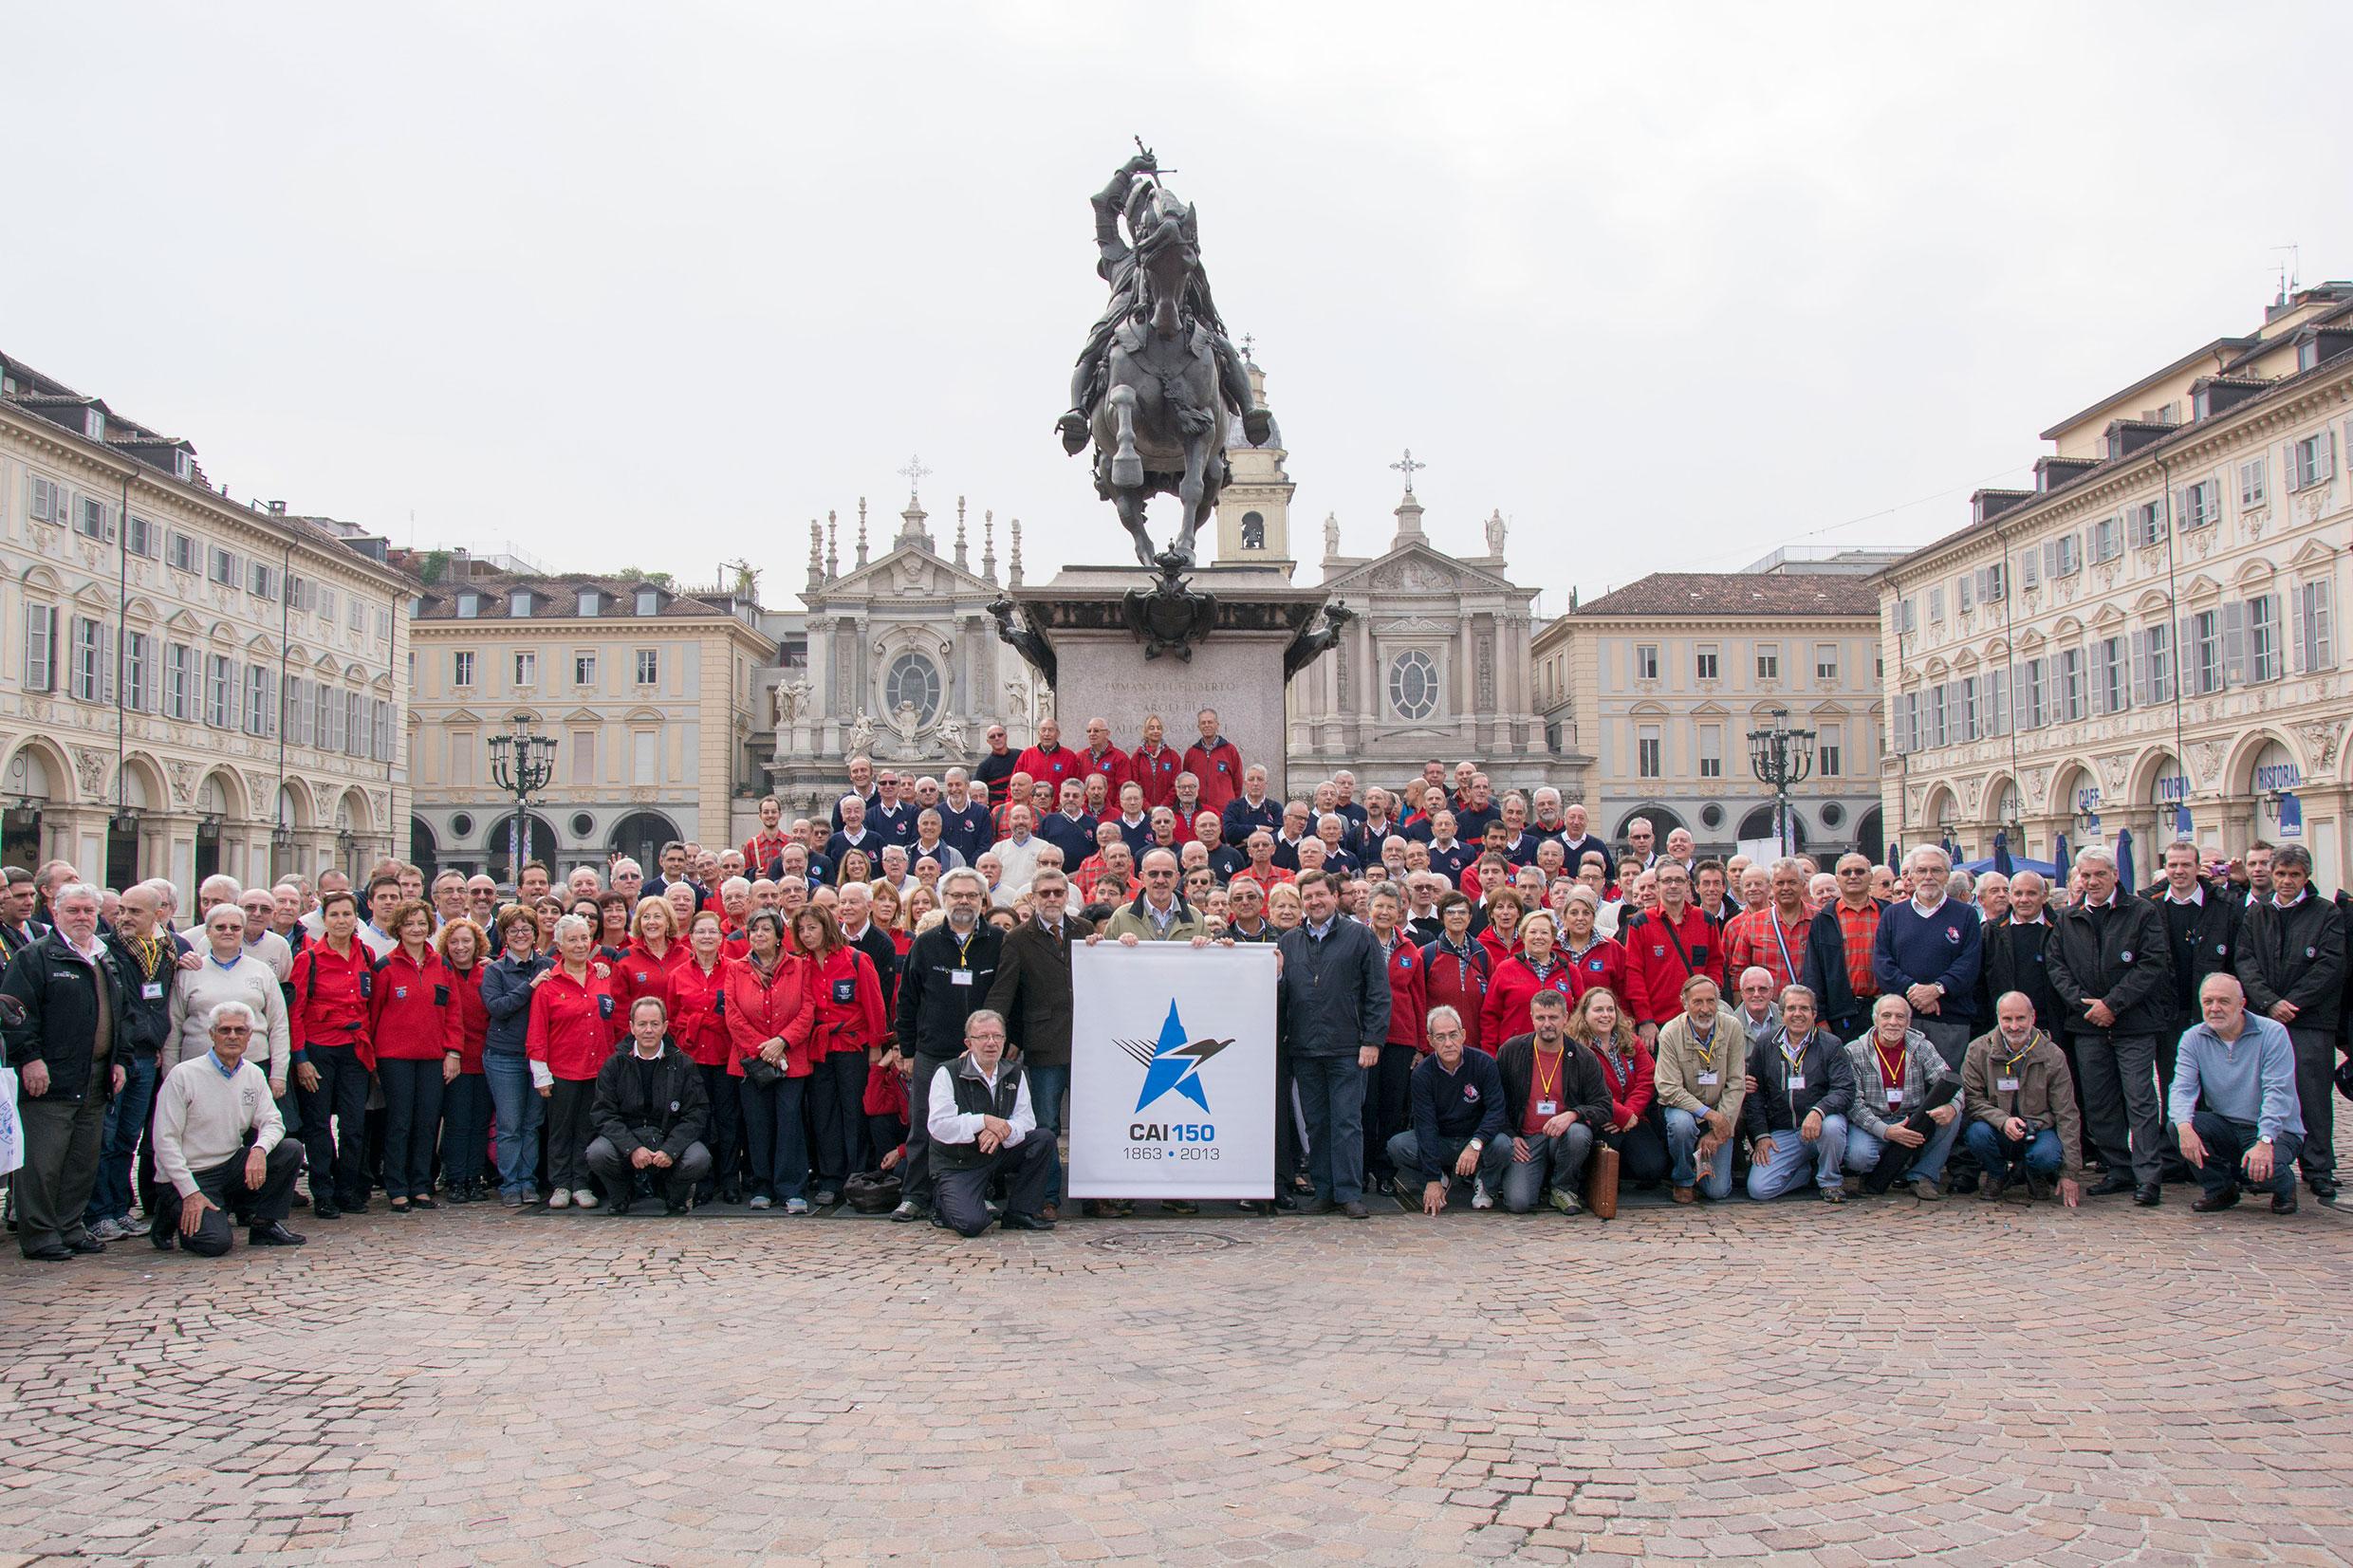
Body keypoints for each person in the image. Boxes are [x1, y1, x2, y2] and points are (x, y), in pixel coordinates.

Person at [3, 882, 134, 1260]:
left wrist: (120, 1059)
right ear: (56, 912)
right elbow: (15, 1013)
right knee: (44, 1163)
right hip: (50, 1077)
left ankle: (70, 1226)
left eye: (88, 911)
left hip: (96, 1076)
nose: (82, 918)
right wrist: (29, 1058)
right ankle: (41, 1234)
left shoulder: (104, 956)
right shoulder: (35, 957)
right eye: (73, 911)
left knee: (82, 1160)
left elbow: (123, 1014)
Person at [2046, 845, 2172, 1208]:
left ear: (2115, 875)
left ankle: (2148, 1175)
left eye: (2099, 874)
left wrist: (2112, 1004)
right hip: (2087, 1025)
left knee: (2140, 1100)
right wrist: (2085, 1005)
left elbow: (2152, 964)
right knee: (2100, 1103)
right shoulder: (2068, 918)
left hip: (2134, 1022)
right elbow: (2057, 968)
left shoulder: (2142, 912)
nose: (2092, 881)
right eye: (2085, 876)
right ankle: (2119, 1167)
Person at [147, 1001, 306, 1255]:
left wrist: (259, 1150)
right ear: (211, 1034)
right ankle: (170, 1212)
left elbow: (273, 1122)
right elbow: (164, 1141)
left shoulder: (253, 1074)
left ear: (249, 1036)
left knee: (290, 1149)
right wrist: (189, 1193)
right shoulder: (184, 1075)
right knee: (214, 1244)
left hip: (229, 1166)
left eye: (240, 1031)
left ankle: (264, 1224)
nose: (232, 1036)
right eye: (225, 1030)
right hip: (190, 1174)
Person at [2232, 842, 2342, 1202]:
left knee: (2312, 1095)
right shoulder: (2256, 913)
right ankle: (2268, 1164)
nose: (2286, 881)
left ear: (2306, 877)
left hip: (2310, 1020)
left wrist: (2293, 1002)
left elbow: (2330, 965)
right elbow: (2245, 962)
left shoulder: (2326, 913)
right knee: (2263, 1092)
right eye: (2281, 874)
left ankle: (2319, 1168)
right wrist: (2268, 1001)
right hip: (2265, 1018)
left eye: (2294, 875)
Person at [1276, 871, 1389, 1217]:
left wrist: (1372, 1041)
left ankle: (1349, 1192)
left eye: (1320, 895)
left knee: (1346, 1122)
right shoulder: (1288, 942)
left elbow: (1378, 993)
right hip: (1305, 1048)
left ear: (1334, 896)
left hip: (1347, 1048)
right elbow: (1282, 996)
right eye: (1307, 897)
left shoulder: (1359, 936)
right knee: (1317, 1124)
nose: (1314, 902)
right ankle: (1324, 1190)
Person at [892, 868, 1003, 1217]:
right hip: (933, 1051)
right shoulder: (925, 944)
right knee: (924, 1124)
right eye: (956, 895)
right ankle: (915, 1194)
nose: (964, 902)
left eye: (971, 895)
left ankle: (975, 1193)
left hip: (983, 1054)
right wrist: (907, 1051)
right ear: (944, 899)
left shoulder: (999, 941)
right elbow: (907, 1001)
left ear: (983, 900)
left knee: (981, 1126)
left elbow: (1011, 995)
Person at [983, 869, 1092, 1222]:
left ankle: (1094, 1194)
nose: (1051, 899)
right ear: (1032, 897)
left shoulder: (1084, 931)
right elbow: (1004, 989)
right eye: (1044, 893)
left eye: (1058, 893)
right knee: (1046, 1124)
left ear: (1067, 896)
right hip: (1045, 1044)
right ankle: (1049, 1198)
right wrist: (993, 1030)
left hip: (1090, 1043)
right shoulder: (1017, 938)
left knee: (1092, 1121)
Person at [84, 882, 183, 1243]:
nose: (124, 918)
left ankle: (120, 1208)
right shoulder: (108, 951)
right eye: (122, 910)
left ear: (158, 915)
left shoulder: (168, 950)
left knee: (128, 1137)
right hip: (119, 1059)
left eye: (134, 912)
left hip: (147, 1057)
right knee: (105, 1138)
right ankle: (98, 1212)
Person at [2172, 973, 2307, 1215]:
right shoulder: (2192, 1038)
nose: (2214, 1009)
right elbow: (2181, 1088)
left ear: (2242, 1003)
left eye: (2224, 1001)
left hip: (2277, 1130)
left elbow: (2278, 1091)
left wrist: (2265, 1140)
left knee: (2262, 1169)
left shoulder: (2272, 1033)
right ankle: (2221, 1189)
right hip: (2227, 1124)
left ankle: (2284, 1187)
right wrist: (2183, 1128)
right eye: (2208, 1001)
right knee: (2179, 1127)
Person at [925, 1008, 1056, 1235]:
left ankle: (1020, 1212)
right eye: (983, 1037)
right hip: (958, 1163)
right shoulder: (947, 1072)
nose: (991, 1043)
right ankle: (942, 1203)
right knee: (972, 1225)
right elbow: (939, 1126)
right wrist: (983, 1121)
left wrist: (1001, 1130)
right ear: (969, 1043)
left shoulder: (1015, 1072)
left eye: (997, 1036)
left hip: (995, 1152)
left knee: (1042, 1139)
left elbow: (1026, 1120)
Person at [526, 913, 623, 1209]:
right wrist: (541, 1074)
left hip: (598, 1068)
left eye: (584, 938)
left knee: (587, 1128)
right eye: (573, 940)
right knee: (560, 1129)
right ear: (559, 944)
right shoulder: (548, 985)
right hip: (563, 1069)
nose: (580, 945)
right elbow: (537, 1032)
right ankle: (560, 1184)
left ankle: (581, 1183)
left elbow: (616, 1021)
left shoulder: (603, 976)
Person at [369, 899, 461, 1213]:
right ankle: (396, 1186)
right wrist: (374, 1062)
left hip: (433, 1056)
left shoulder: (443, 965)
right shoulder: (384, 966)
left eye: (421, 923)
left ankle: (421, 1185)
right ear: (398, 928)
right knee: (399, 1122)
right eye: (409, 924)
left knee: (427, 1122)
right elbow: (374, 1015)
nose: (416, 929)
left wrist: (453, 1052)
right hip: (395, 1057)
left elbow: (453, 1013)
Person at [726, 910, 819, 1211]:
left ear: (780, 936)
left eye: (766, 929)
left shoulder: (800, 967)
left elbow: (807, 1010)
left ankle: (792, 1188)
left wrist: (782, 1042)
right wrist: (761, 1048)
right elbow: (733, 1014)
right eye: (754, 930)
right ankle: (762, 1185)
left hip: (791, 1058)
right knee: (758, 1123)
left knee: (790, 1121)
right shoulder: (736, 969)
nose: (759, 935)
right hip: (751, 1059)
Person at [585, 997, 713, 1215]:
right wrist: (631, 1148)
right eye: (642, 1024)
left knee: (699, 1158)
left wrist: (670, 1150)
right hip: (627, 1140)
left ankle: (674, 1196)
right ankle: (621, 1195)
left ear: (665, 1027)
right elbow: (603, 1113)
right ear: (631, 1027)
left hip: (668, 1138)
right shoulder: (614, 1064)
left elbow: (697, 1113)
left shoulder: (683, 1064)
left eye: (654, 1024)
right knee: (598, 1152)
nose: (648, 1030)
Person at [802, 902, 890, 1207]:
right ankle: (830, 1177)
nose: (807, 934)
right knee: (824, 1113)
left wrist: (877, 1046)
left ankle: (856, 1175)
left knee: (854, 1112)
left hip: (854, 1047)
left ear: (827, 927)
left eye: (812, 927)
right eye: (801, 929)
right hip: (819, 1048)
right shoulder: (802, 965)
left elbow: (875, 1006)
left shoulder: (856, 959)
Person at [1960, 989, 2084, 1205]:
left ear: (2033, 1017)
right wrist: (2002, 1120)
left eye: (2020, 1018)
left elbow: (2066, 1113)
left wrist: (2070, 1173)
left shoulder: (2053, 1055)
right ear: (1998, 1017)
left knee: (2047, 1156)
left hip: (2038, 1130)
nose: (2014, 1026)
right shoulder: (1978, 1050)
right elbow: (1971, 1099)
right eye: (2007, 1019)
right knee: (1976, 1134)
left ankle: (2032, 1172)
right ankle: (1997, 1173)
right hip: (1997, 1129)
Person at [1492, 988, 1608, 1214]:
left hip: (1562, 1138)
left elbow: (1603, 1105)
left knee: (1578, 1133)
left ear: (1565, 1018)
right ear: (1531, 1018)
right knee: (1518, 1203)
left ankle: (1563, 1187)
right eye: (1540, 1018)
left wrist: (1574, 1114)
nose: (1547, 1024)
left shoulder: (1584, 1057)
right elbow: (1495, 1102)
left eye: (1553, 1017)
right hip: (1527, 1140)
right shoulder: (1512, 1051)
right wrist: (1510, 1135)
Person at [1385, 1005, 1510, 1213]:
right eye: (1440, 1037)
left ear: (1463, 1035)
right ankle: (1440, 1178)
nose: (1448, 1043)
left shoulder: (1484, 1063)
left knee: (1503, 1145)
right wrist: (1431, 1177)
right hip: (1442, 1139)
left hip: (1476, 1138)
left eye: (1453, 1035)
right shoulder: (1422, 1074)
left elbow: (1496, 1111)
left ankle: (1485, 1182)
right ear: (1430, 1041)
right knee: (1398, 1146)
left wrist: (1476, 1143)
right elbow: (1425, 1125)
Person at [1843, 994, 1963, 1200]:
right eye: (1886, 1016)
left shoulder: (1921, 1046)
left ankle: (1922, 1176)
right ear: (1875, 1019)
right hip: (1874, 1123)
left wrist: (1953, 1106)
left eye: (1900, 1017)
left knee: (1953, 1114)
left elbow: (1952, 1082)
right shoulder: (1854, 1051)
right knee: (1858, 1158)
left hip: (1912, 1120)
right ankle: (1877, 1173)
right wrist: (1887, 1131)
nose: (1893, 1022)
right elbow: (1853, 1104)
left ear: (1908, 1022)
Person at [1871, 846, 1981, 1068]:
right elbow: (1883, 963)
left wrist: (1936, 990)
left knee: (1945, 1087)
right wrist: (1914, 991)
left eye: (1936, 870)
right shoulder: (1892, 914)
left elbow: (1969, 963)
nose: (1929, 876)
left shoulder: (1966, 914)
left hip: (1950, 1019)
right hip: (1902, 1019)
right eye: (1922, 870)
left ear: (1947, 876)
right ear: (1910, 876)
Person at [1743, 986, 1855, 1203]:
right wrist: (1761, 1135)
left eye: (1804, 1008)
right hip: (1783, 1131)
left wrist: (1819, 1111)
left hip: (1821, 1127)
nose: (1797, 1014)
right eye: (1791, 1008)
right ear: (1782, 1014)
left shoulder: (1831, 1045)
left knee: (1833, 1126)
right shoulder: (1766, 1043)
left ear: (1814, 1014)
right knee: (1759, 1189)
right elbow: (1754, 1092)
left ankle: (1829, 1181)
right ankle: (1805, 1173)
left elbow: (1845, 1089)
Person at [666, 911, 741, 1204]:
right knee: (700, 1121)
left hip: (727, 1056)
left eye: (713, 932)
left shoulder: (736, 969)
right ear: (691, 938)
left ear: (721, 938)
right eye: (701, 932)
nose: (707, 937)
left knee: (729, 1120)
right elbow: (672, 1019)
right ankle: (705, 1182)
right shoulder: (678, 975)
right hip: (693, 1058)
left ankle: (730, 1180)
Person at [1652, 974, 1747, 1203]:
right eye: (1698, 1002)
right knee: (1681, 1125)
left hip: (1721, 1110)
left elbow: (1736, 1083)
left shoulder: (1732, 1027)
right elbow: (1668, 1089)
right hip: (1685, 1110)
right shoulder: (1671, 1032)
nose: (1705, 1009)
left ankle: (1701, 1167)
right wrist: (1709, 1115)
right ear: (1684, 1003)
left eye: (1710, 1001)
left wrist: (1718, 1127)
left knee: (1718, 1191)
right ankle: (1683, 1179)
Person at [480, 906, 551, 1208]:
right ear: (504, 937)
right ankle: (511, 1183)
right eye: (513, 931)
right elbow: (498, 1007)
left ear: (535, 934)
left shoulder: (548, 964)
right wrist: (530, 986)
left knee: (531, 1124)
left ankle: (528, 1181)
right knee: (509, 1124)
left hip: (538, 1055)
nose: (520, 935)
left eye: (526, 930)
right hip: (504, 1055)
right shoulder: (495, 971)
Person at [1363, 887, 1429, 1194]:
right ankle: (1361, 1169)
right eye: (1380, 906)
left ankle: (1386, 1173)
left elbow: (1418, 998)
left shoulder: (1410, 950)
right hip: (1364, 1039)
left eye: (1391, 907)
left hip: (1400, 1039)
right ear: (1369, 908)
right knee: (1365, 1107)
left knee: (1391, 1109)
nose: (1385, 912)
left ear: (1400, 911)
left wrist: (1419, 1045)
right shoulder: (1358, 942)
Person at [1573, 987, 1666, 1188]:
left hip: (1633, 1118)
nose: (1605, 1015)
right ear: (1585, 1014)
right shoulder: (1576, 1046)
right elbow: (1583, 1089)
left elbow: (1647, 1078)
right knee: (1605, 1147)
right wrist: (1619, 1114)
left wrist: (1630, 1113)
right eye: (1598, 1010)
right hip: (1597, 1119)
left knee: (1653, 1168)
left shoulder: (1631, 1041)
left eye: (1610, 1009)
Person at [1621, 860, 1723, 1041]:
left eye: (1679, 880)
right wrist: (1645, 1020)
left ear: (1687, 885)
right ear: (1658, 885)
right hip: (1658, 1025)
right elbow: (1634, 974)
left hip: (1699, 1020)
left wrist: (1710, 1000)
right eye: (1667, 880)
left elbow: (1715, 964)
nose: (1673, 885)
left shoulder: (1706, 920)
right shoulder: (1641, 923)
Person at [434, 916, 492, 1204]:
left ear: (476, 944)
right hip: (454, 1057)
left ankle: (474, 1177)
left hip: (483, 1057)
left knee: (479, 1122)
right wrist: (450, 1052)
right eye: (454, 942)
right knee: (457, 1121)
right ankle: (456, 1178)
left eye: (466, 941)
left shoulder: (487, 973)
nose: (460, 947)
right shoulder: (443, 972)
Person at [1482, 910, 1576, 1046]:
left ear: (1552, 937)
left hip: (1560, 1052)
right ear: (1523, 936)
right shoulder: (1505, 969)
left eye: (1544, 932)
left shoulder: (1570, 971)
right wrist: (1490, 1054)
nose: (1538, 937)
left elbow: (1580, 1014)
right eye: (1533, 932)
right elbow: (1490, 1016)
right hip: (1515, 1053)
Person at [1725, 858, 1812, 997]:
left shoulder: (1819, 919)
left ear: (1803, 885)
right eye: (1780, 883)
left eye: (1792, 882)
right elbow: (1738, 973)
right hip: (1767, 1012)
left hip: (1810, 1010)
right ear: (1772, 886)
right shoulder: (1753, 923)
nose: (1786, 888)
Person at [1421, 893, 1493, 1054]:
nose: (1456, 916)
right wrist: (1423, 1046)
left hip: (1476, 1047)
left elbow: (1492, 1005)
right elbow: (1419, 1004)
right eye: (1450, 912)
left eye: (1462, 912)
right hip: (1438, 1049)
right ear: (1441, 917)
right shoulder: (1427, 954)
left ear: (1470, 917)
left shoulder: (1482, 955)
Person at [1182, 708, 1245, 817]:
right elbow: (1186, 782)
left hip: (1224, 811)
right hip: (1198, 811)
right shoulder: (1191, 753)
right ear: (1199, 727)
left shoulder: (1230, 750)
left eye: (1210, 722)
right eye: (1203, 723)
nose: (1207, 725)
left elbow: (1237, 783)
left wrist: (1230, 804)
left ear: (1217, 725)